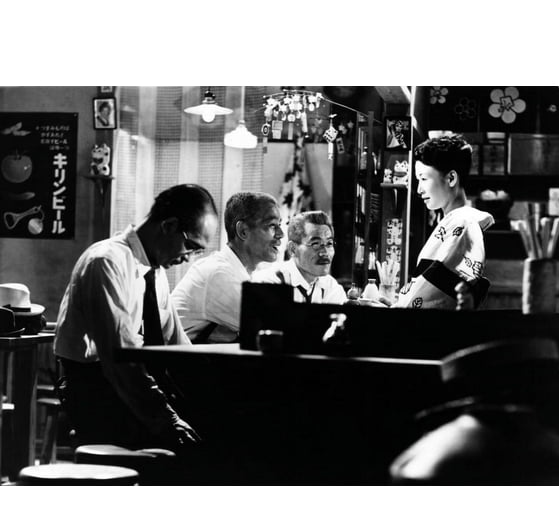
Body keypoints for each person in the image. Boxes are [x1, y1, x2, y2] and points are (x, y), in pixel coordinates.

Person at [54, 183, 218, 451]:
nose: (188, 258)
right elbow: (120, 363)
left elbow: (179, 347)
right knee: (186, 453)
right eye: (190, 246)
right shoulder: (106, 262)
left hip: (136, 389)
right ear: (169, 226)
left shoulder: (155, 273)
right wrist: (167, 420)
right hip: (99, 392)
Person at [379, 133, 494, 309]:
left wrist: (398, 309)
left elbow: (435, 297)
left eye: (424, 179)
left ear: (451, 178)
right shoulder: (456, 221)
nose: (419, 189)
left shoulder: (463, 223)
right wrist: (397, 305)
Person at [172, 191, 284, 343]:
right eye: (272, 225)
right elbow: (280, 331)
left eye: (279, 225)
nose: (281, 234)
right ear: (243, 231)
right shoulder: (219, 275)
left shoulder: (246, 273)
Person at [253, 210, 347, 304]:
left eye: (329, 243)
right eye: (315, 244)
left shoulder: (330, 287)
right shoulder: (269, 282)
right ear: (293, 249)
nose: (325, 252)